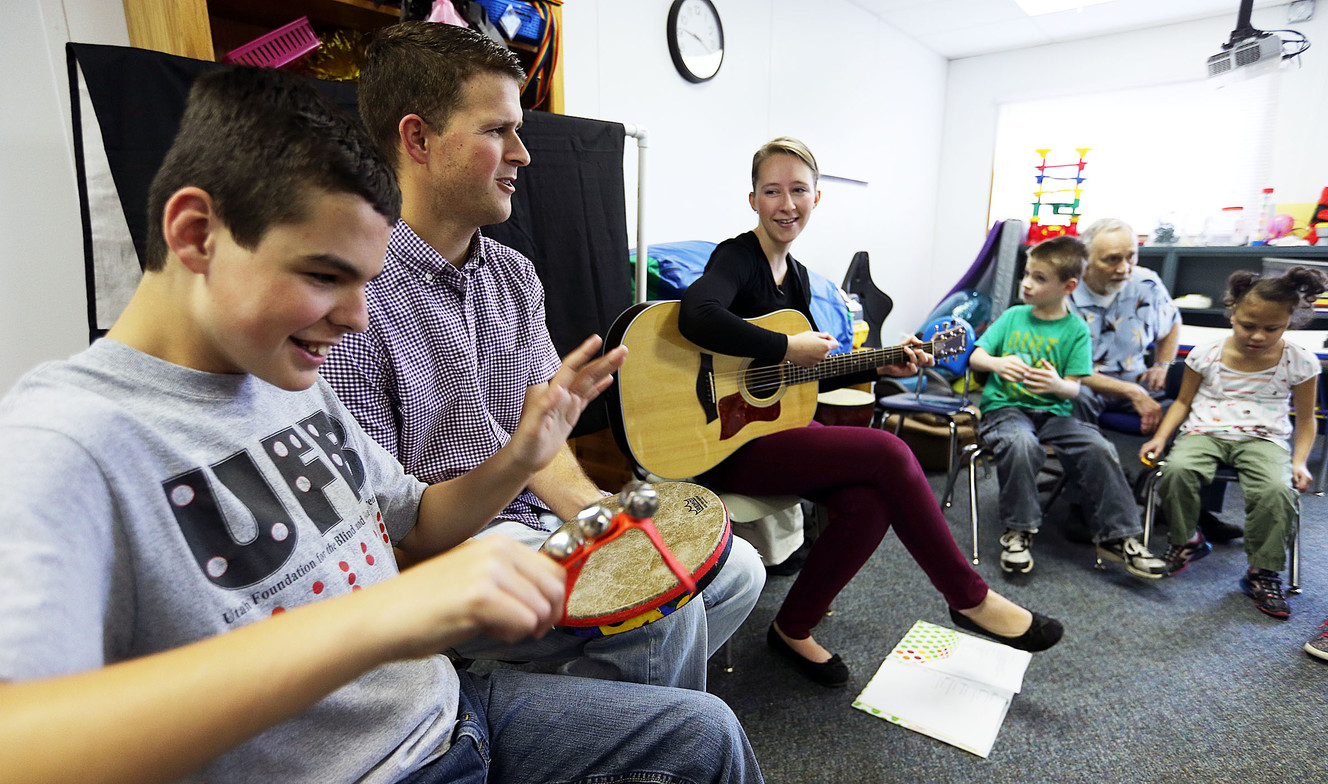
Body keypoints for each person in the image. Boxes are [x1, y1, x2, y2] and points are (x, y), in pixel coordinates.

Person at [0, 66, 761, 784]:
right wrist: (386, 615)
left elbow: (420, 519)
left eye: (364, 282)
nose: (357, 318)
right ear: (196, 234)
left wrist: (522, 453)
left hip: (450, 711)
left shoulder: (281, 376)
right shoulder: (65, 439)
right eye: (325, 276)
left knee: (706, 731)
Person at [321, 21, 763, 691]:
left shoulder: (514, 275)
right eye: (497, 130)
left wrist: (598, 520)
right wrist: (544, 494)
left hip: (527, 529)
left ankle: (565, 714)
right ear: (418, 139)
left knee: (735, 570)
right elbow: (393, 541)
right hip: (445, 561)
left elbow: (548, 443)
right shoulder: (350, 299)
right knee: (658, 615)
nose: (523, 153)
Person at [676, 136, 1063, 688]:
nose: (786, 204)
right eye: (772, 191)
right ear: (753, 200)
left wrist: (881, 367)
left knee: (868, 502)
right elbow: (698, 314)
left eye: (798, 191)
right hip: (723, 439)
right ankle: (968, 596)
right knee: (888, 449)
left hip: (778, 428)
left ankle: (793, 627)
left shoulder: (802, 278)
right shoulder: (737, 257)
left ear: (816, 198)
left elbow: (802, 374)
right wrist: (783, 348)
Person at [970, 235, 1168, 579]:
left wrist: (1056, 385)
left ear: (1069, 286)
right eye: (1027, 274)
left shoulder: (1075, 328)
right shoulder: (1013, 316)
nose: (1027, 284)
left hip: (1054, 414)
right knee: (1021, 443)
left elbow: (1075, 386)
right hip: (1006, 410)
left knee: (1098, 446)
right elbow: (977, 355)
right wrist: (998, 365)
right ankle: (1019, 531)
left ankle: (1120, 537)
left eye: (1039, 278)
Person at [1139, 267, 1327, 619]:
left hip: (1264, 438)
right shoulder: (1205, 354)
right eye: (1247, 325)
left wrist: (1299, 461)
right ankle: (1187, 541)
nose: (1257, 336)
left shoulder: (1300, 361)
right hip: (1205, 432)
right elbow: (1182, 402)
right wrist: (1160, 438)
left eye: (1272, 328)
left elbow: (1305, 420)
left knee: (1276, 490)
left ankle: (1262, 571)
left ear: (1290, 321)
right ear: (1233, 313)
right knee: (1177, 470)